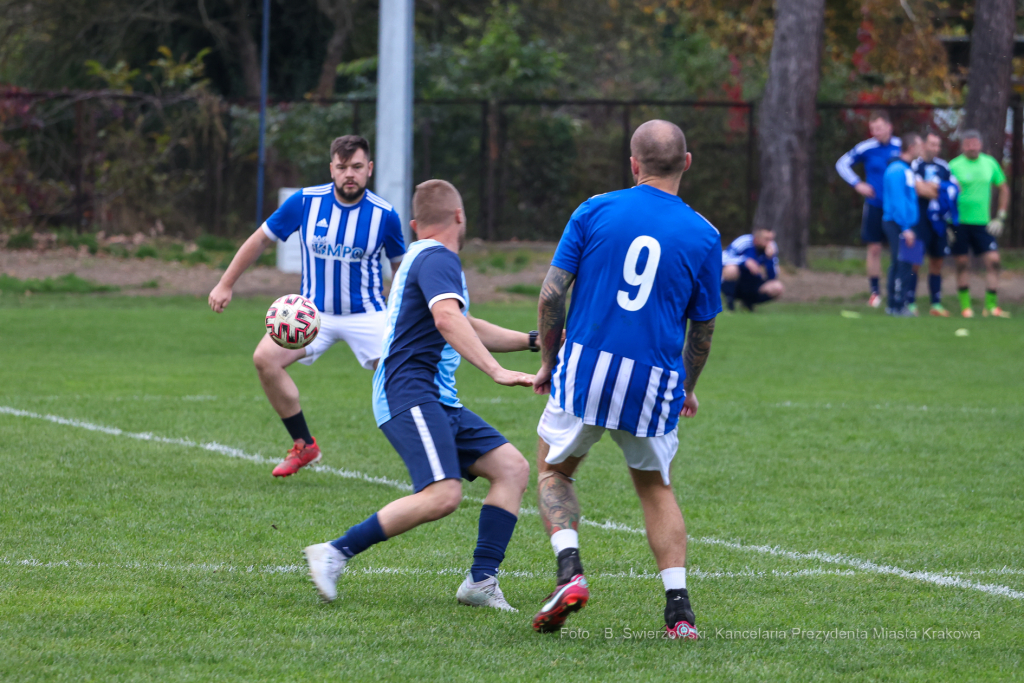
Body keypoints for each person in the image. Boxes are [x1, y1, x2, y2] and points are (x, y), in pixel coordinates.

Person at [303, 179, 536, 612]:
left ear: (414, 224)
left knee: (511, 468)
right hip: (409, 391)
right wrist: (495, 370)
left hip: (435, 397)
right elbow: (449, 319)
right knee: (443, 494)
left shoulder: (421, 256)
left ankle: (481, 582)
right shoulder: (439, 258)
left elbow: (463, 322)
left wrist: (532, 340)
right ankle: (335, 552)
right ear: (460, 216)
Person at [530, 120, 721, 640]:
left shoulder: (594, 209)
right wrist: (685, 385)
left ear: (633, 165)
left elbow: (551, 295)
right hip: (655, 379)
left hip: (587, 367)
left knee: (554, 470)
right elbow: (702, 327)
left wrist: (549, 361)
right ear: (687, 162)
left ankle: (570, 572)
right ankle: (679, 613)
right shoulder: (705, 235)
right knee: (655, 488)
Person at [208, 136, 406, 477]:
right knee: (265, 359)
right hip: (311, 317)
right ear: (331, 168)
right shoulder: (305, 202)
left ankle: (442, 454)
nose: (349, 175)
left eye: (357, 167)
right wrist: (226, 283)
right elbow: (260, 239)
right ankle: (304, 445)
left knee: (404, 380)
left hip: (369, 315)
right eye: (342, 167)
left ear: (369, 169)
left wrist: (406, 317)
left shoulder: (384, 216)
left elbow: (402, 271)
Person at [835, 111, 902, 308]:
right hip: (875, 206)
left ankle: (905, 290)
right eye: (872, 129)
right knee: (874, 248)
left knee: (906, 248)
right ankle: (875, 293)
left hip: (900, 208)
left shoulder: (902, 146)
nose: (876, 132)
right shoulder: (866, 148)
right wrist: (857, 184)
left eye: (879, 128)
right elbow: (842, 164)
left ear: (889, 127)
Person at [948, 130, 1012, 318]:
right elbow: (944, 195)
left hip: (982, 224)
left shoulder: (990, 163)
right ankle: (966, 307)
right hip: (958, 223)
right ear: (962, 146)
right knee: (961, 263)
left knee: (993, 261)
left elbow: (1004, 189)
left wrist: (1000, 216)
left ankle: (990, 307)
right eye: (968, 144)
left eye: (975, 143)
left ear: (981, 145)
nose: (972, 147)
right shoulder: (954, 166)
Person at [910, 133, 957, 317]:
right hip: (917, 221)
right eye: (932, 145)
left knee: (937, 262)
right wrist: (939, 189)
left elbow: (954, 189)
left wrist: (931, 188)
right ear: (923, 145)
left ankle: (935, 304)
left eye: (938, 145)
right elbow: (917, 188)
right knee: (913, 262)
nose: (935, 149)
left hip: (938, 223)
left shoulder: (943, 166)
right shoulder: (915, 164)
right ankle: (909, 301)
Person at [881, 132, 924, 316]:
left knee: (909, 264)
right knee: (900, 263)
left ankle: (903, 303)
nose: (922, 149)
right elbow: (898, 201)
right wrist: (905, 228)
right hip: (899, 224)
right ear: (912, 147)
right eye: (920, 145)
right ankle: (895, 305)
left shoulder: (907, 169)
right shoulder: (897, 170)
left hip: (909, 224)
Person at [720, 228, 784, 311]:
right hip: (738, 281)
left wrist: (769, 259)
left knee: (777, 287)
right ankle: (730, 304)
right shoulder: (744, 241)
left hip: (754, 283)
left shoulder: (771, 248)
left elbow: (772, 277)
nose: (770, 242)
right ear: (756, 239)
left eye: (771, 239)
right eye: (766, 239)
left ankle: (748, 303)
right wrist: (744, 261)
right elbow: (723, 257)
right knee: (731, 269)